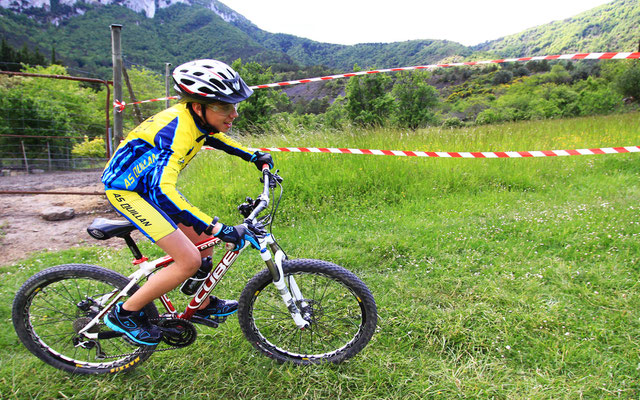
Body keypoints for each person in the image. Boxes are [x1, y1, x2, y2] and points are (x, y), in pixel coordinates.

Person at [102, 59, 273, 345]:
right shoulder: (175, 131)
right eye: (225, 106)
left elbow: (214, 137)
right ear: (198, 106)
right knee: (189, 259)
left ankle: (201, 304)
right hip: (129, 192)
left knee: (205, 241)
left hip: (149, 188)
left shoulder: (195, 118)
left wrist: (252, 155)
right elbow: (162, 192)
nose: (234, 113)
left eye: (235, 105)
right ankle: (125, 313)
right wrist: (220, 227)